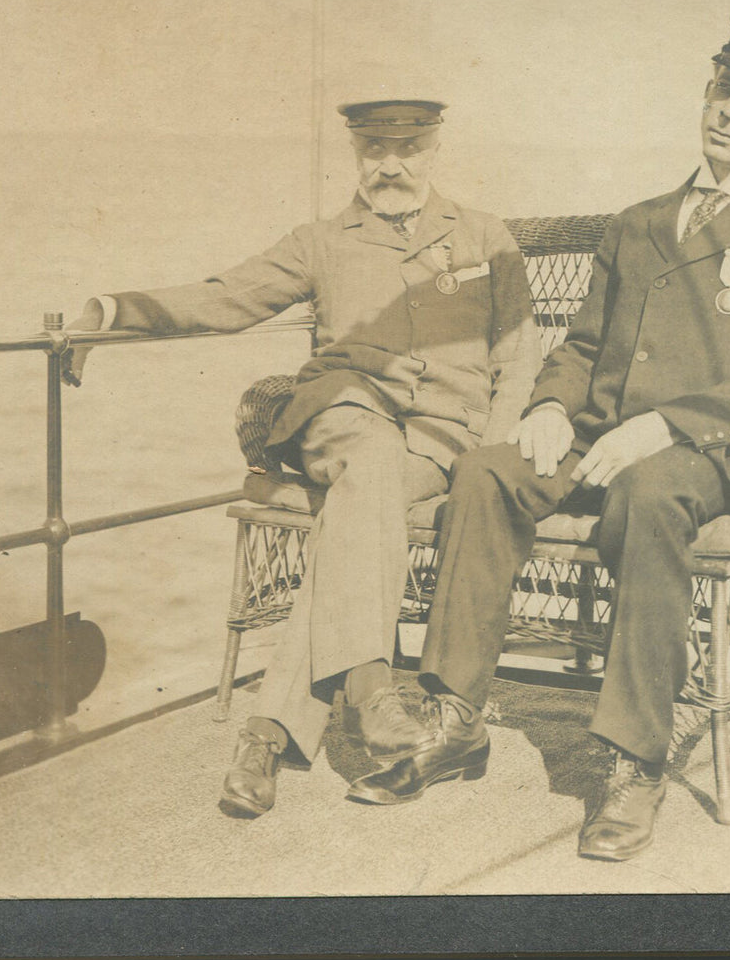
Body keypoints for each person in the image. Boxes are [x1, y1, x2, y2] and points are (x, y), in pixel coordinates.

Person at [347, 13, 730, 862]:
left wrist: (663, 425)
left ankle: (634, 760)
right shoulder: (640, 221)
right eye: (722, 88)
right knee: (484, 471)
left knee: (650, 492)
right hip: (591, 434)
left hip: (700, 454)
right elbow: (584, 345)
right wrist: (550, 404)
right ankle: (453, 718)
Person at [63, 97, 542, 818]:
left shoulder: (484, 235)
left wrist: (496, 449)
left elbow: (519, 358)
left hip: (440, 439)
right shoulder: (321, 240)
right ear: (355, 152)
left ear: (435, 148)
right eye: (374, 147)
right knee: (369, 463)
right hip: (341, 413)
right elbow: (226, 297)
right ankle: (372, 689)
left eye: (407, 147)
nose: (390, 164)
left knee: (357, 510)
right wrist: (113, 309)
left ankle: (265, 735)